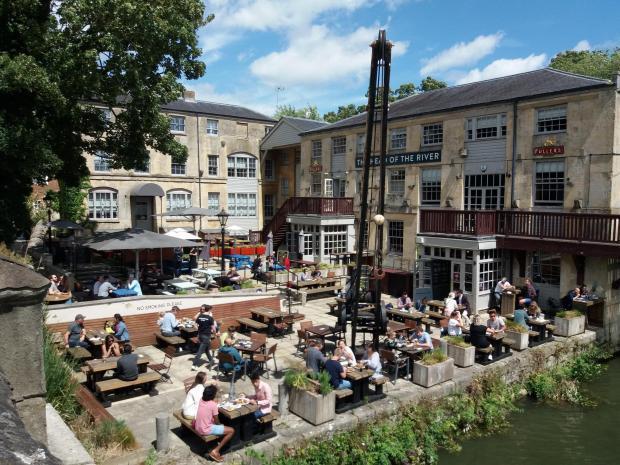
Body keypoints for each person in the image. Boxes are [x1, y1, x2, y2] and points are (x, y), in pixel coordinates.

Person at [194, 384, 234, 462]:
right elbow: (216, 421)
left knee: (222, 427)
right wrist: (221, 425)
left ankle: (215, 445)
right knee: (231, 430)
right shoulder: (213, 405)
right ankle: (215, 450)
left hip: (198, 426)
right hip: (205, 429)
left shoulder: (201, 400)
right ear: (212, 395)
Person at [192, 304, 215, 371]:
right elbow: (213, 328)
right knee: (200, 351)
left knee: (206, 349)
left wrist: (198, 329)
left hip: (200, 335)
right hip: (206, 336)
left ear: (204, 310)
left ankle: (211, 360)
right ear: (209, 310)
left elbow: (195, 324)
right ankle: (194, 365)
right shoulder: (210, 318)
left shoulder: (200, 316)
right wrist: (215, 333)